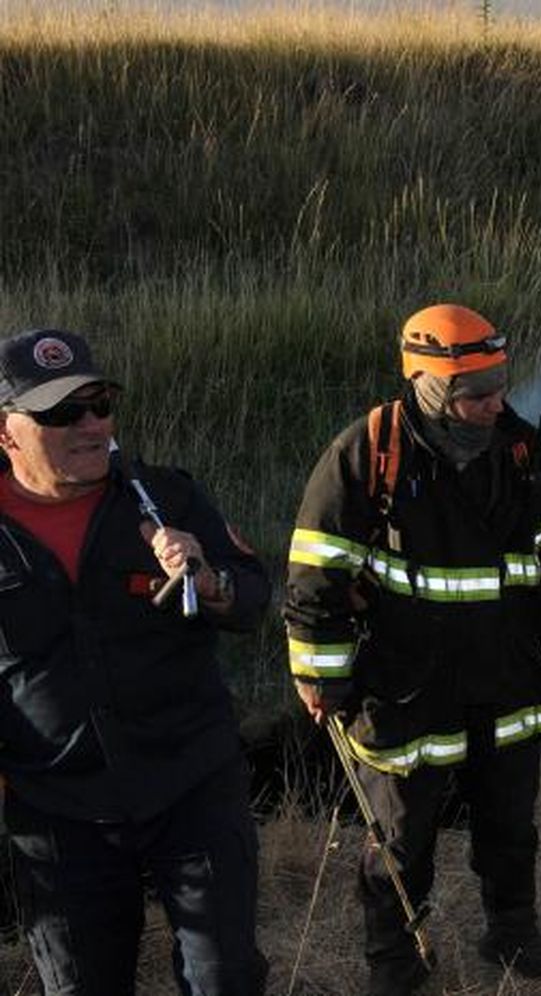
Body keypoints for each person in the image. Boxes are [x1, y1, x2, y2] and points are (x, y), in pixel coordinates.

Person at [283, 304, 541, 994]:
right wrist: (321, 674)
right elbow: (317, 568)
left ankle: (511, 933)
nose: (495, 403)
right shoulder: (369, 452)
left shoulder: (519, 449)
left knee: (511, 822)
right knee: (401, 839)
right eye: (476, 391)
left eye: (499, 384)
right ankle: (395, 965)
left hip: (508, 678)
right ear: (430, 387)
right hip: (407, 687)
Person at [0, 328, 270, 995]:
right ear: (6, 432)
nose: (93, 424)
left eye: (101, 404)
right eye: (64, 413)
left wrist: (211, 583)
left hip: (190, 781)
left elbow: (252, 597)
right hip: (58, 809)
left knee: (225, 979)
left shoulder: (162, 498)